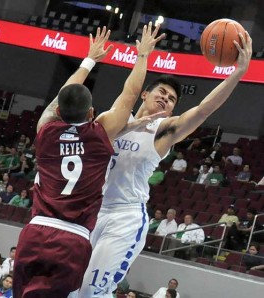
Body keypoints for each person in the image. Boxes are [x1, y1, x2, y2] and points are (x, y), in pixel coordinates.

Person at [80, 30, 252, 296]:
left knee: (92, 291)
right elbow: (129, 89)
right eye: (161, 92)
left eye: (171, 99)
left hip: (125, 218)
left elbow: (205, 109)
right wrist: (143, 55)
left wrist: (238, 72)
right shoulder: (118, 118)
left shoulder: (163, 130)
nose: (165, 99)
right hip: (93, 212)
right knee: (72, 286)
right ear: (145, 94)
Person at [13, 24, 164, 298]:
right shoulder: (100, 133)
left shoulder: (45, 130)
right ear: (93, 112)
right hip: (73, 237)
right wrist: (142, 55)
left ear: (58, 110)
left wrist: (89, 59)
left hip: (36, 230)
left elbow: (64, 94)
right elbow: (130, 94)